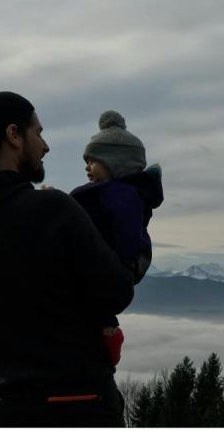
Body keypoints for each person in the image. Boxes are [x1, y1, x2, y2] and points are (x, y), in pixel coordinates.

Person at [0, 91, 134, 427]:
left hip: (2, 409)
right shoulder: (53, 209)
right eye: (38, 133)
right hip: (79, 404)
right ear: (13, 135)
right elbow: (118, 291)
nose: (45, 146)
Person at [68, 110, 163, 367]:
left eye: (93, 161)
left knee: (97, 310)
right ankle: (108, 334)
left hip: (109, 266)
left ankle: (109, 336)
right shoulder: (109, 194)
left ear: (114, 163)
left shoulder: (121, 196)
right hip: (101, 267)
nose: (87, 167)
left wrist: (126, 262)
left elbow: (127, 231)